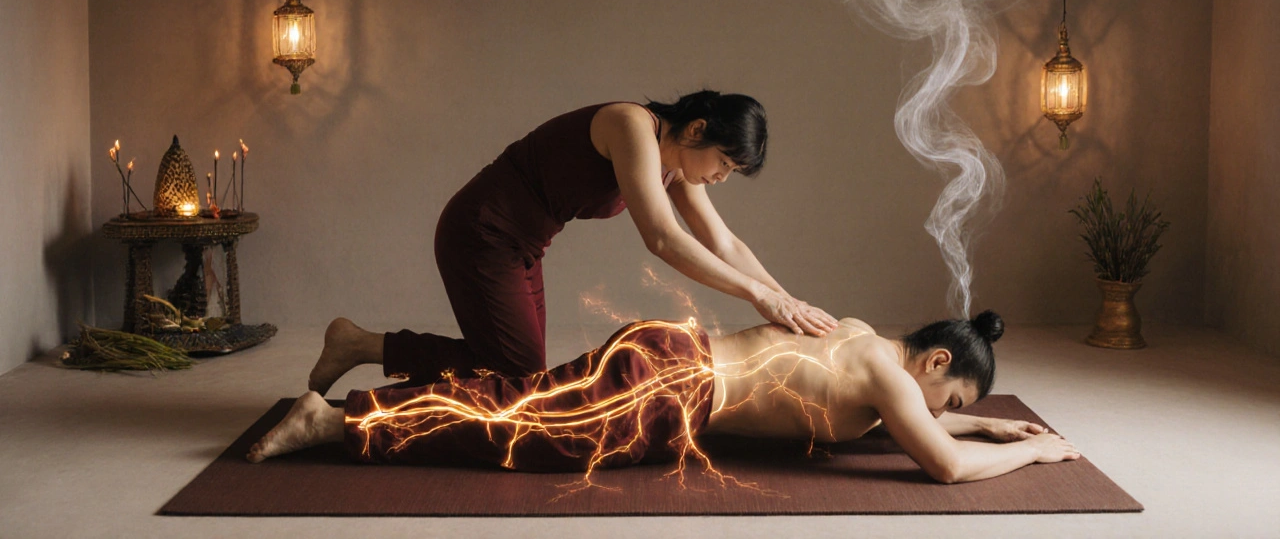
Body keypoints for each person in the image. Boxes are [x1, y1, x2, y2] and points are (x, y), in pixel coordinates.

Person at [308, 91, 839, 392]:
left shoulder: (674, 168)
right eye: (724, 163)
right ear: (698, 128)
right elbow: (662, 238)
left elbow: (724, 242)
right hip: (481, 232)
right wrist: (759, 297)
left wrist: (787, 302)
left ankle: (360, 344)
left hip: (522, 247)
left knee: (519, 376)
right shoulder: (633, 126)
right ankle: (366, 368)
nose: (722, 177)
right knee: (518, 380)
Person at [252, 311, 1081, 484]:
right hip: (669, 389)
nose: (939, 410)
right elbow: (937, 464)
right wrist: (1039, 447)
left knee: (523, 398)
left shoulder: (869, 338)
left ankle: (361, 373)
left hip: (669, 350)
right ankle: (335, 421)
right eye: (951, 394)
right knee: (527, 432)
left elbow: (912, 419)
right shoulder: (894, 386)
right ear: (934, 362)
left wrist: (980, 420)